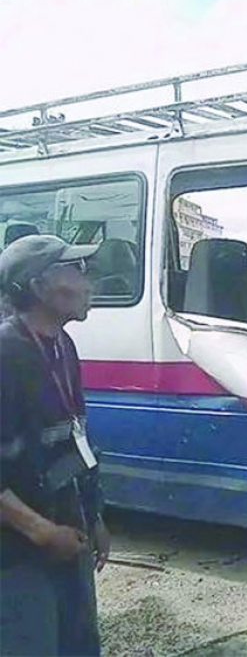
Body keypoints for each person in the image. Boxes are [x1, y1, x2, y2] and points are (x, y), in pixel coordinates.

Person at [0, 234, 110, 656]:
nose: (88, 283)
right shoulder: (7, 355)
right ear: (38, 287)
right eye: (75, 271)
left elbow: (76, 437)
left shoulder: (64, 347)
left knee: (79, 645)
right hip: (18, 555)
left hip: (68, 533)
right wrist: (41, 531)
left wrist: (95, 515)